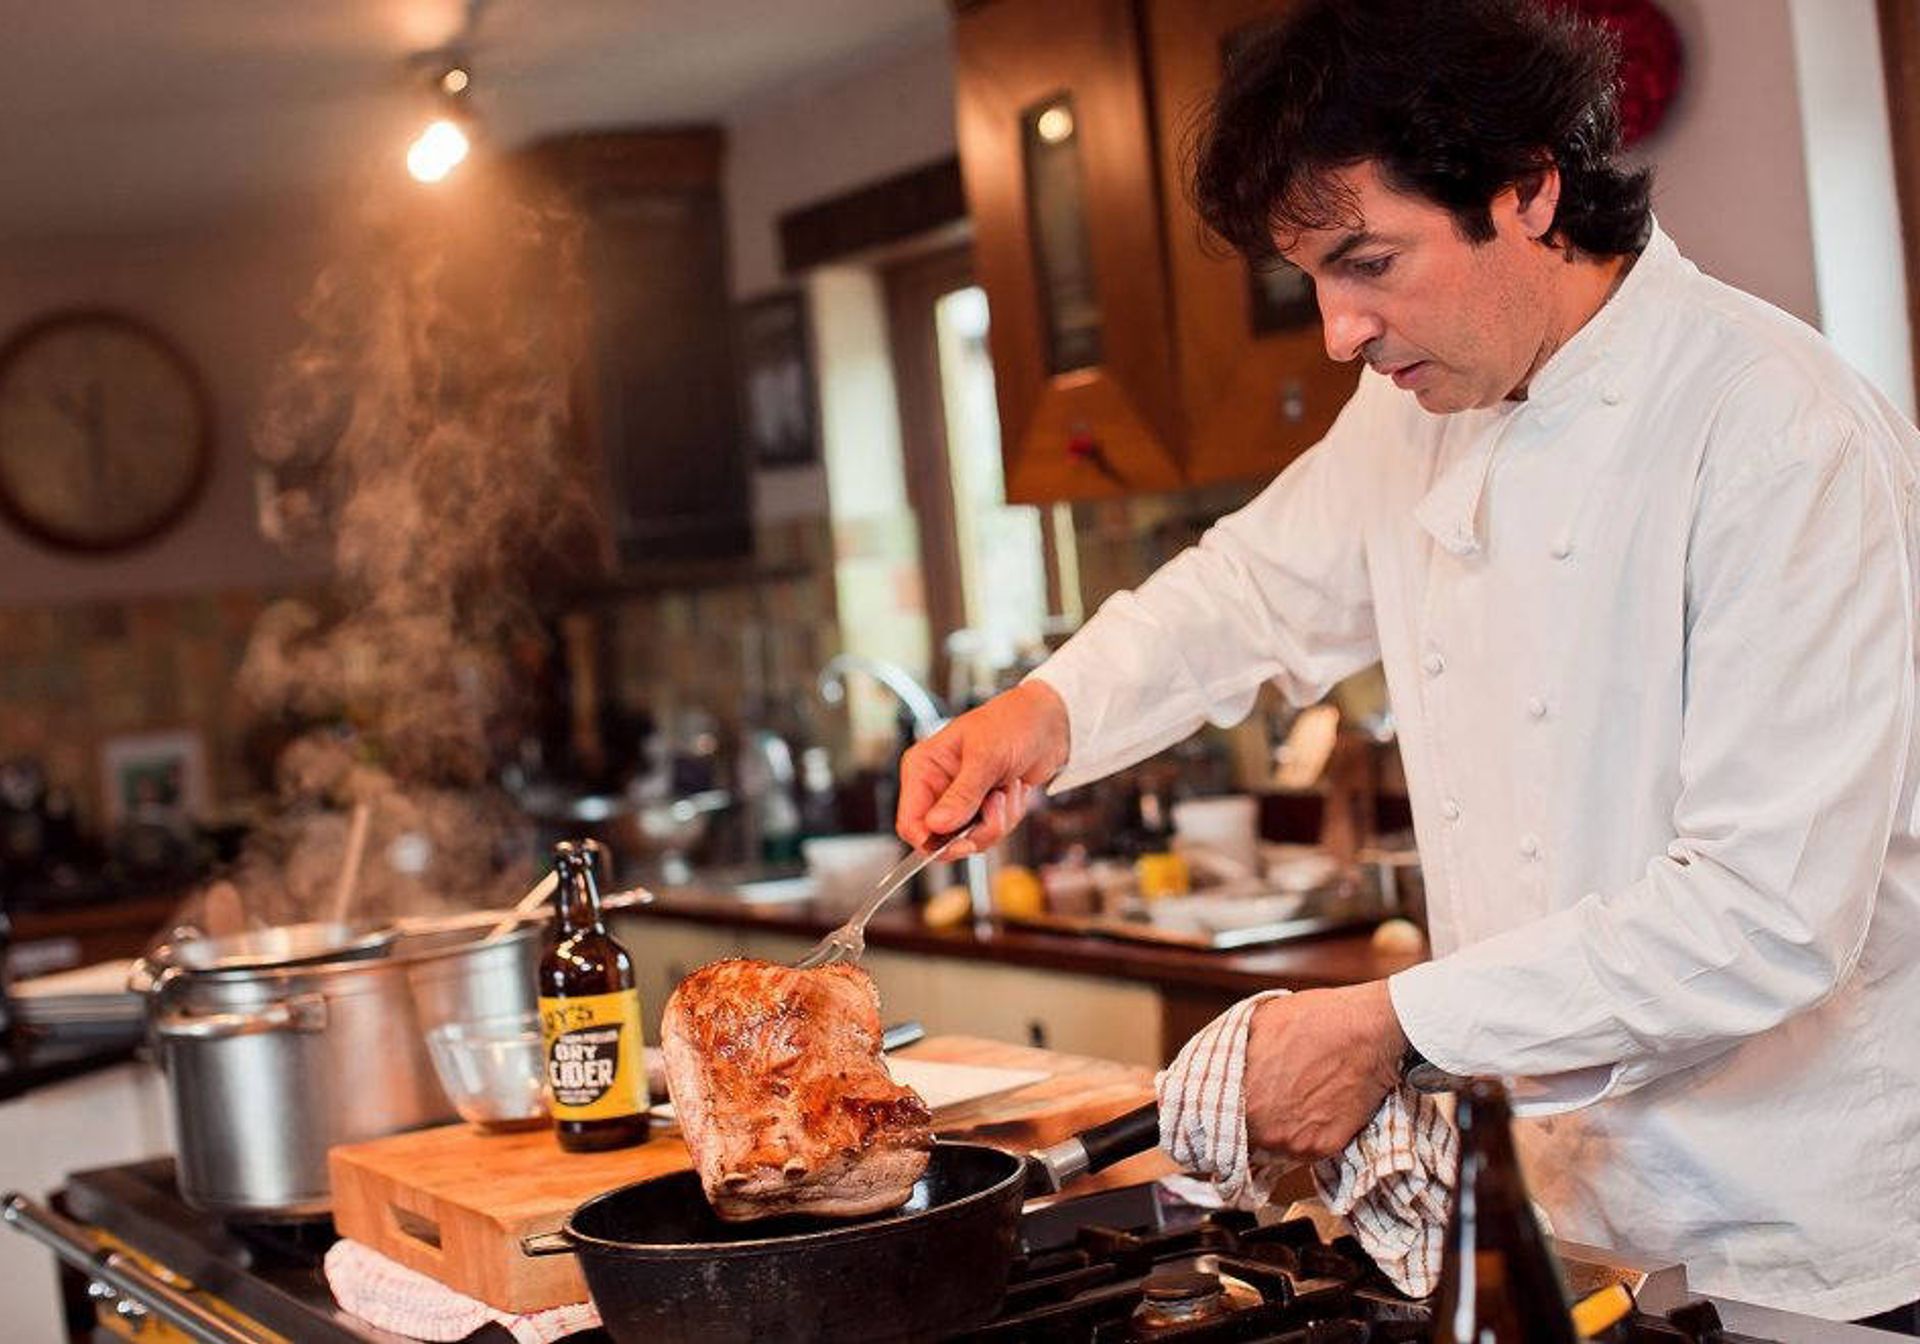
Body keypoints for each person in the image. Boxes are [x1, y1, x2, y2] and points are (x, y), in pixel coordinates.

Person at [895, 0, 1920, 1329]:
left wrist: (1394, 1022)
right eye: (1312, 276)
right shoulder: (1419, 410)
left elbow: (1764, 912)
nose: (1339, 332)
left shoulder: (1780, 432)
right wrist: (1048, 711)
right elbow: (1252, 589)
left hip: (1803, 1247)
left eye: (1370, 260)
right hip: (1565, 1222)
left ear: (1530, 189)